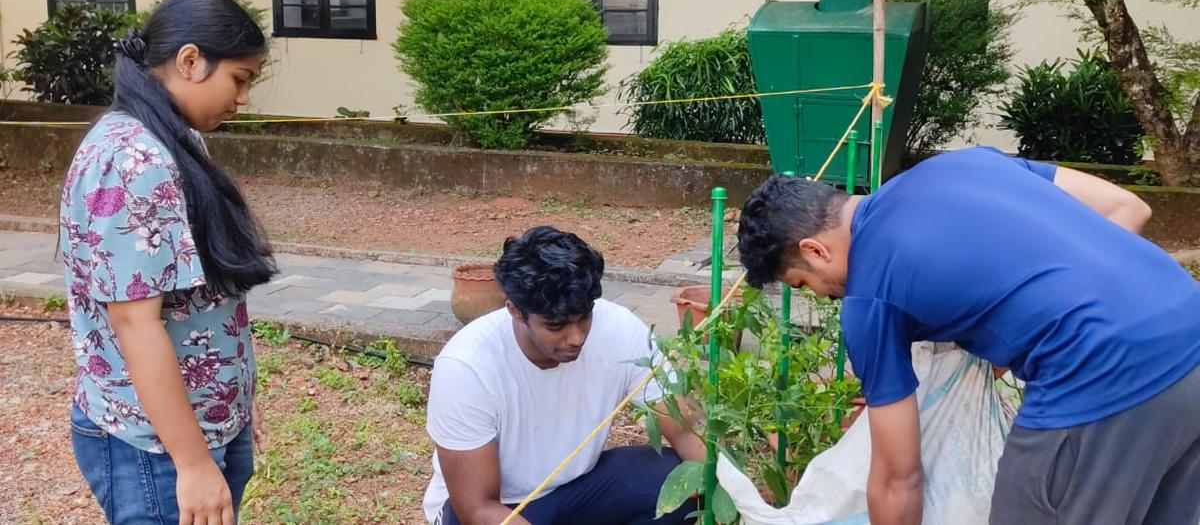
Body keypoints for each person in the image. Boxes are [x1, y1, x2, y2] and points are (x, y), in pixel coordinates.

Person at [736, 146, 1200, 525]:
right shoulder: (965, 162)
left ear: (814, 250)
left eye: (803, 283)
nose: (819, 296)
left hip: (1096, 373)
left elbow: (899, 478)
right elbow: (1129, 208)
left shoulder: (869, 299)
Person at [61, 0, 277, 524]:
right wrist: (193, 464)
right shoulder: (134, 159)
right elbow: (136, 324)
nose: (242, 98)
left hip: (199, 430)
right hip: (157, 450)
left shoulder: (173, 138)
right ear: (190, 61)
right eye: (239, 79)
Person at [423, 225, 705, 524]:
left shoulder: (620, 329)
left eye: (584, 318)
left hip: (577, 489)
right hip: (502, 509)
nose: (576, 337)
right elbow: (478, 509)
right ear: (516, 311)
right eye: (556, 326)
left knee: (683, 480)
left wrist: (742, 498)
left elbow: (686, 428)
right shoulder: (466, 367)